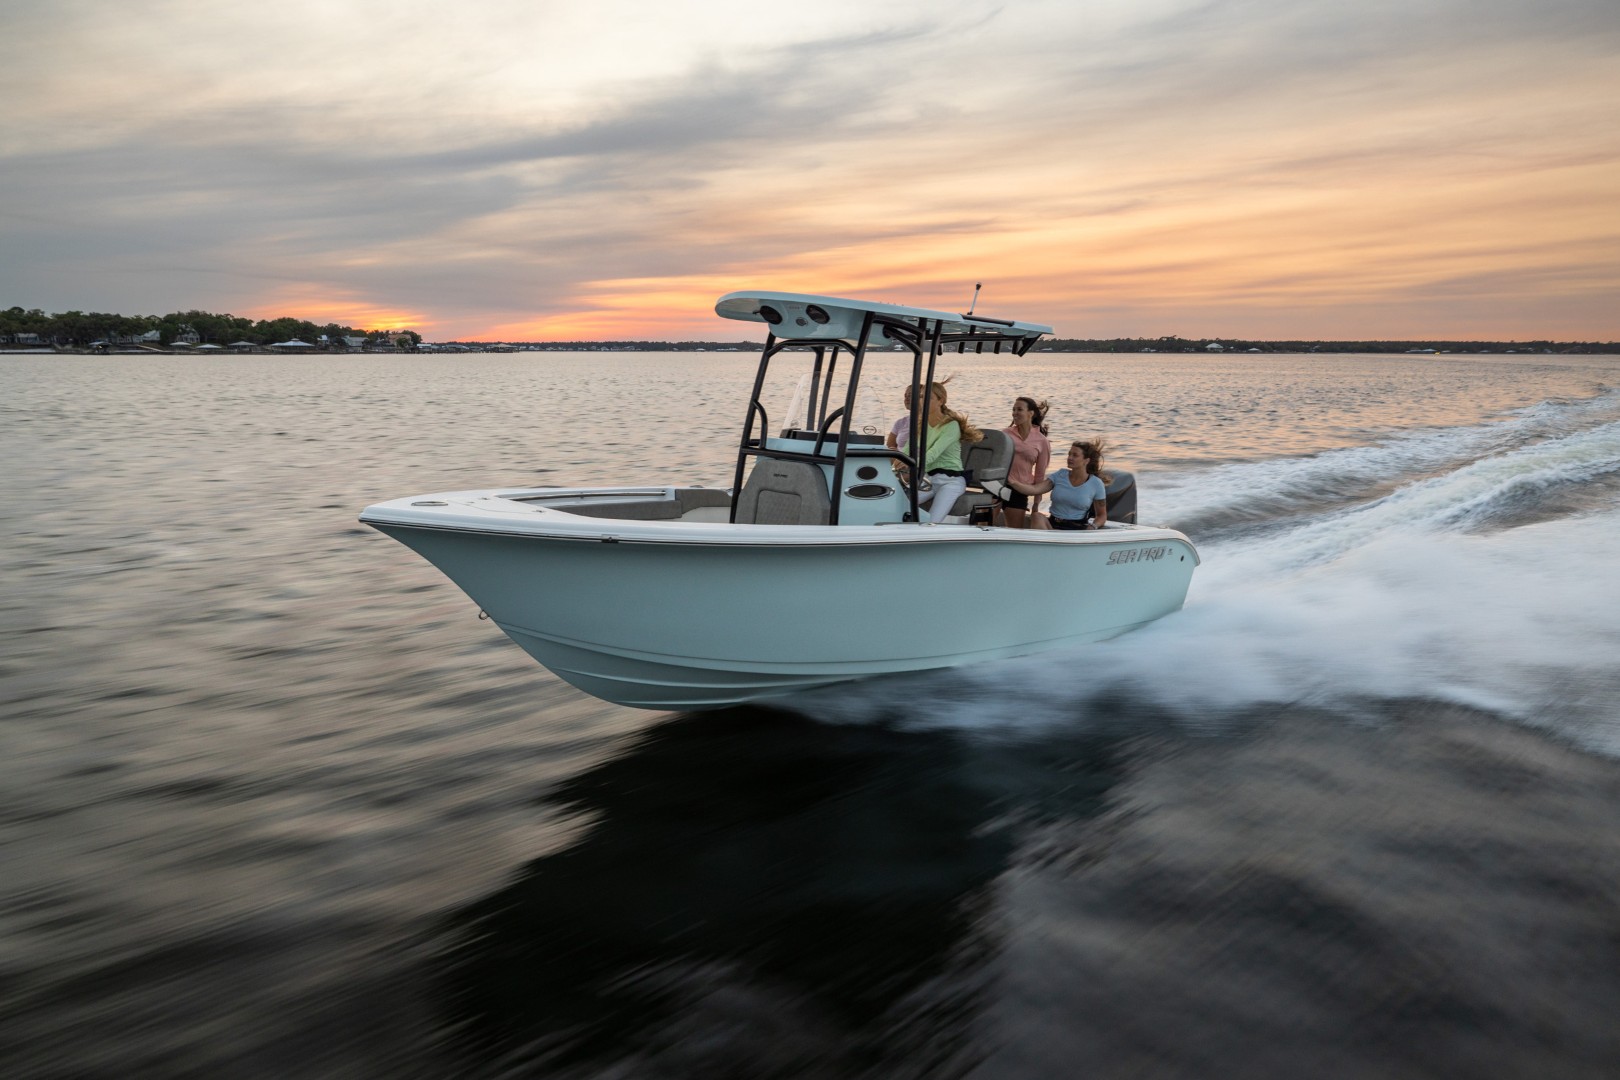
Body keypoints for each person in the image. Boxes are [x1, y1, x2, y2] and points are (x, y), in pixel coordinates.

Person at [913, 381, 982, 523]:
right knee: (897, 503)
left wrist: (910, 464)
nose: (923, 401)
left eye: (928, 397)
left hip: (950, 481)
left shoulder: (951, 426)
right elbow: (906, 450)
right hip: (928, 479)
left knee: (931, 522)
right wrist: (893, 467)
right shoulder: (921, 425)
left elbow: (933, 454)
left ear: (941, 401)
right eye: (921, 396)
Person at [1004, 438, 1109, 530]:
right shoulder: (1060, 475)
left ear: (1086, 461)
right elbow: (1035, 489)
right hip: (1052, 527)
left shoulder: (1096, 483)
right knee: (1036, 516)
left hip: (1077, 530)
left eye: (1075, 455)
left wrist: (1093, 526)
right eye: (1069, 454)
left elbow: (1102, 516)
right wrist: (1011, 482)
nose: (1070, 458)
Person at [996, 396, 1051, 528]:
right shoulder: (1005, 434)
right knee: (982, 524)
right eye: (1013, 409)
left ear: (1031, 413)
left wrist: (1036, 503)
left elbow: (1039, 475)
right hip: (997, 485)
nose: (1015, 413)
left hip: (1019, 489)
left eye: (1019, 409)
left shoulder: (1042, 441)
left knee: (1014, 530)